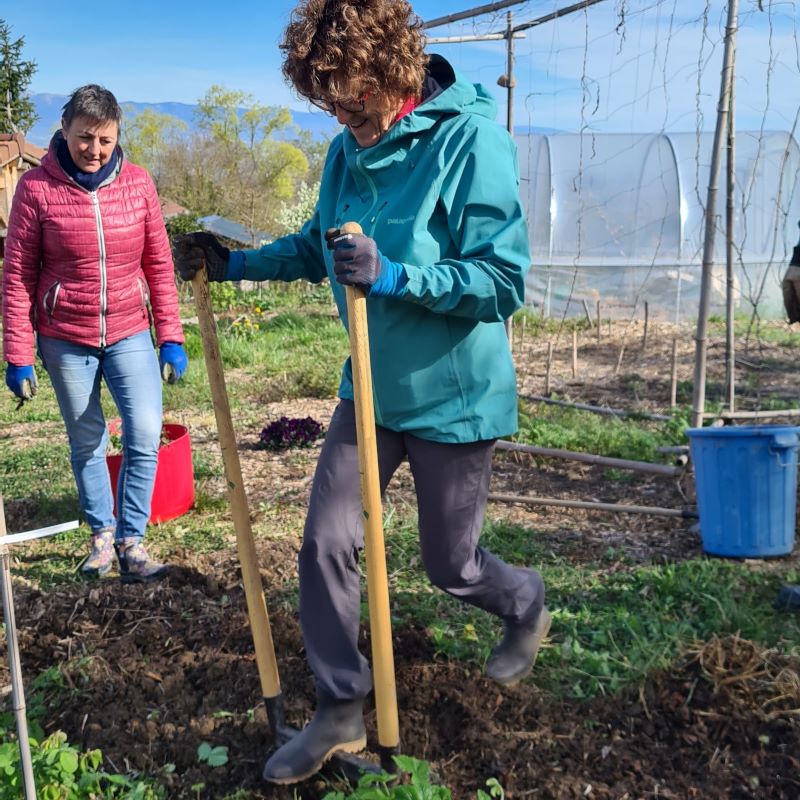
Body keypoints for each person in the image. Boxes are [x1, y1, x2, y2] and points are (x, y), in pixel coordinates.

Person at [173, 0, 548, 783]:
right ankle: (341, 708)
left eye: (357, 100)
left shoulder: (469, 140)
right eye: (331, 104)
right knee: (324, 541)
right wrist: (232, 264)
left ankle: (522, 602)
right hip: (370, 392)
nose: (348, 119)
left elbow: (503, 278)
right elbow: (319, 246)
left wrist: (398, 275)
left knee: (451, 566)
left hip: (454, 394)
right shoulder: (346, 151)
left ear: (396, 72)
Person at [2, 84, 187, 584]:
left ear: (117, 136)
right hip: (65, 335)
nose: (94, 150)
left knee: (145, 431)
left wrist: (171, 335)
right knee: (88, 439)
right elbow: (18, 274)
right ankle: (102, 537)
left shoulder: (139, 184)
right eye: (85, 138)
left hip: (129, 329)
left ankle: (133, 540)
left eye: (105, 140)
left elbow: (159, 264)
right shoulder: (37, 189)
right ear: (63, 131)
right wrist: (18, 353)